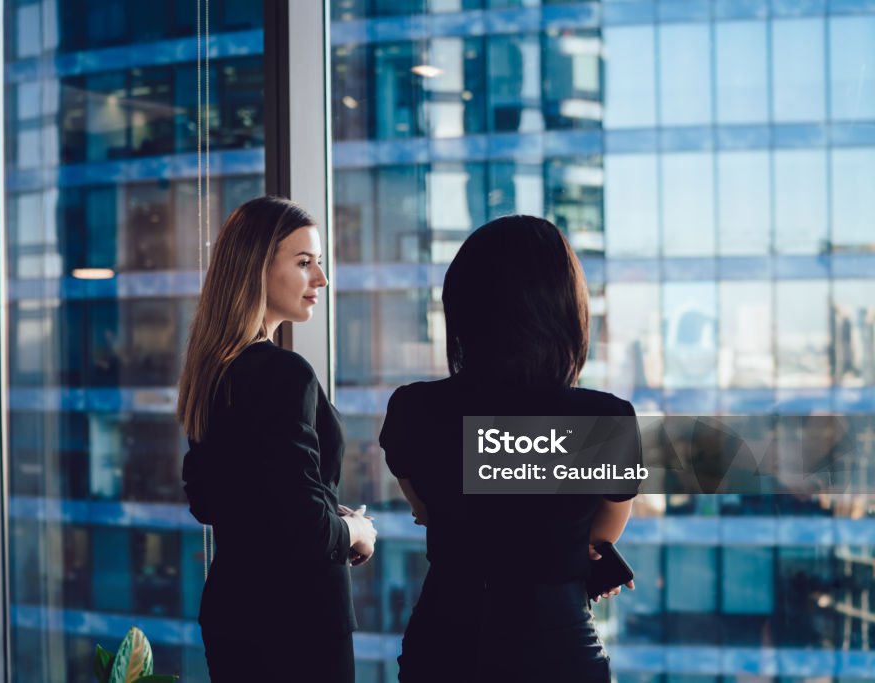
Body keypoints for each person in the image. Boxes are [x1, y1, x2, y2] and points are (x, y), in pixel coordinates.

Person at [379, 215, 639, 682]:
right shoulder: (603, 419)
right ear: (565, 310)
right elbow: (602, 533)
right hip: (555, 643)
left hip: (444, 640)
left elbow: (427, 508)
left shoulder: (414, 407)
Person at [177, 196, 377, 682]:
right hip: (298, 624)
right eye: (304, 263)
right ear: (254, 268)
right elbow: (305, 526)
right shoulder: (283, 373)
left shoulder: (216, 372)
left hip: (235, 615)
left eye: (320, 264)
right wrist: (354, 531)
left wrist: (323, 513)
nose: (320, 280)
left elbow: (212, 502)